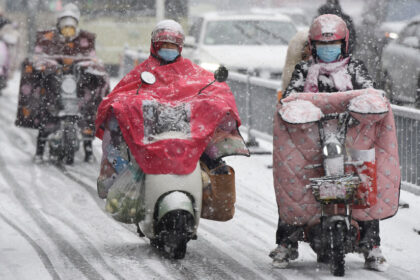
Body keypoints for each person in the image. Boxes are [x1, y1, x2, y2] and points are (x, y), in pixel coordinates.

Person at [95, 19, 248, 223]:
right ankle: (121, 183)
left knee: (214, 163)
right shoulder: (141, 73)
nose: (168, 50)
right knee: (121, 144)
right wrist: (125, 106)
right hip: (150, 135)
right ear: (155, 45)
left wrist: (214, 103)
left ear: (180, 47)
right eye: (164, 45)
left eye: (173, 46)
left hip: (186, 133)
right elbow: (122, 94)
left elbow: (213, 88)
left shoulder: (192, 72)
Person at [270, 14, 387, 272]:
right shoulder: (303, 69)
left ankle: (372, 245)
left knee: (364, 181)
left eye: (333, 44)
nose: (328, 50)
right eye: (322, 46)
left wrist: (364, 105)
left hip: (350, 136)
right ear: (312, 46)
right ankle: (286, 242)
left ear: (344, 44)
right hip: (312, 139)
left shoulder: (355, 68)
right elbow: (290, 98)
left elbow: (370, 94)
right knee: (295, 182)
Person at [24, 3, 106, 163]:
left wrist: (86, 68)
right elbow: (38, 58)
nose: (68, 29)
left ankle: (88, 150)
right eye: (64, 25)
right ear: (59, 24)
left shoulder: (85, 39)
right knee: (45, 109)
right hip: (54, 84)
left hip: (79, 85)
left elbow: (92, 59)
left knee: (89, 110)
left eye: (71, 25)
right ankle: (39, 150)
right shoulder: (47, 38)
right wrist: (50, 67)